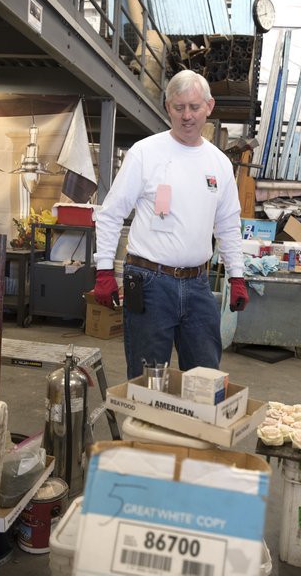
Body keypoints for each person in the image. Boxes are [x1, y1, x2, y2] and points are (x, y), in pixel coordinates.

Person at [94, 69, 249, 379]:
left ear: (209, 106)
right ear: (168, 107)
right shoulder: (145, 153)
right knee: (148, 379)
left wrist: (237, 275)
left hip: (198, 285)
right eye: (179, 107)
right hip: (150, 283)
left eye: (194, 107)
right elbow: (110, 213)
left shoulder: (219, 163)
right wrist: (104, 270)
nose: (187, 116)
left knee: (205, 378)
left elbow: (228, 224)